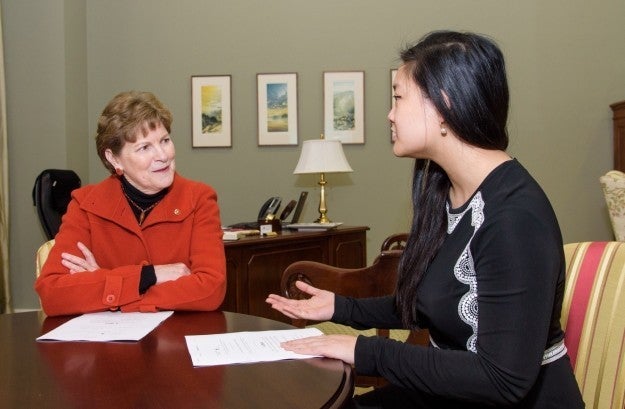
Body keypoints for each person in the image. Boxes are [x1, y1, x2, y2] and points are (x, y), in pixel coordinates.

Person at [266, 31, 584, 408]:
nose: (390, 113)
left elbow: (504, 380)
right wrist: (339, 308)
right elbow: (430, 303)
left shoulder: (516, 218)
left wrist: (362, 349)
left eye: (398, 97)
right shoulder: (445, 191)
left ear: (445, 104)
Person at [35, 91, 227, 316]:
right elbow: (53, 294)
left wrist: (109, 288)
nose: (163, 155)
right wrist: (150, 276)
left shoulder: (199, 199)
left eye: (165, 141)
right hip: (107, 347)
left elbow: (210, 290)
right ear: (114, 158)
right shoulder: (85, 204)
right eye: (144, 147)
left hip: (177, 342)